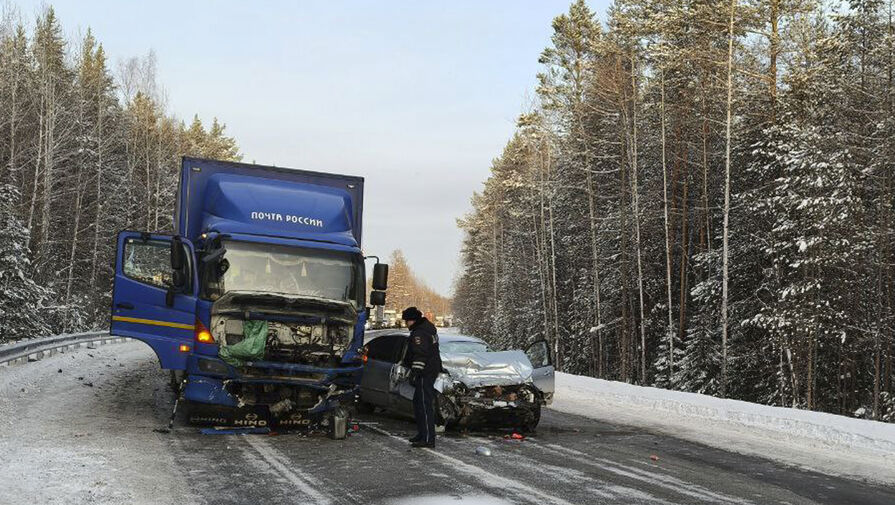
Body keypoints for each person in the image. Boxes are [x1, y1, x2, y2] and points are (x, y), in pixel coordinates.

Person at [402, 306, 442, 448]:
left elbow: (420, 354)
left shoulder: (419, 333)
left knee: (424, 405)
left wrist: (416, 372)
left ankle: (428, 439)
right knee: (418, 402)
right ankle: (422, 433)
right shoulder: (426, 329)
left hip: (425, 372)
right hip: (429, 370)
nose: (406, 324)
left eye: (406, 321)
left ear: (412, 320)